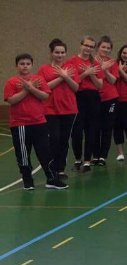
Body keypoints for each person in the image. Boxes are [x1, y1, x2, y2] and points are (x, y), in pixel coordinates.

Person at [4, 54, 67, 190]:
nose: (25, 66)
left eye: (28, 64)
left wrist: (31, 87)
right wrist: (27, 89)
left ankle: (52, 179)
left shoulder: (39, 80)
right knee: (23, 153)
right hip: (20, 124)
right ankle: (27, 180)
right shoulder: (11, 82)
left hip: (39, 122)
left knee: (45, 152)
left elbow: (44, 96)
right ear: (16, 66)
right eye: (22, 64)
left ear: (32, 65)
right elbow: (12, 100)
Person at [38, 38, 78, 178]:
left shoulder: (71, 68)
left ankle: (61, 169)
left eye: (62, 52)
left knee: (64, 139)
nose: (60, 55)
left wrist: (66, 76)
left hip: (69, 109)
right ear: (51, 53)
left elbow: (75, 87)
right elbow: (44, 87)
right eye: (57, 52)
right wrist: (61, 77)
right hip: (50, 109)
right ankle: (52, 168)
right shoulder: (44, 69)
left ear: (65, 53)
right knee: (53, 139)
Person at [67, 36, 103, 173]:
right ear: (81, 45)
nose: (88, 48)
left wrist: (91, 74)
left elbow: (100, 85)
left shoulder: (95, 63)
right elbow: (70, 81)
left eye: (91, 46)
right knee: (77, 131)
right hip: (78, 97)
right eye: (86, 45)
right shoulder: (72, 61)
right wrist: (85, 73)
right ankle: (78, 159)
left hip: (93, 98)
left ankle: (87, 161)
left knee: (91, 130)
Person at [94, 36, 119, 167]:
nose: (106, 50)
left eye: (108, 48)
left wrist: (105, 70)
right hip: (95, 98)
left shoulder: (112, 62)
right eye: (103, 47)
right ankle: (95, 155)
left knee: (107, 128)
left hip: (110, 98)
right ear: (98, 47)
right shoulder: (91, 61)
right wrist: (100, 67)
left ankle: (103, 156)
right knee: (95, 128)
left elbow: (113, 80)